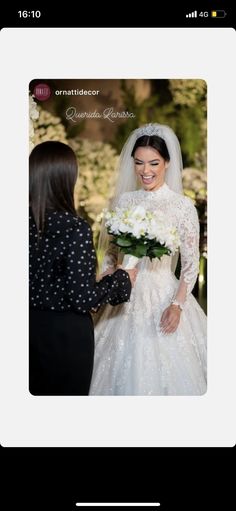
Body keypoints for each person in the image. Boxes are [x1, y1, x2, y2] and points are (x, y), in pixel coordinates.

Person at [89, 123, 207, 395]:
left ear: (167, 162)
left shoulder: (182, 206)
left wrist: (177, 305)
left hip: (163, 291)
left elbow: (189, 265)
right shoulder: (123, 201)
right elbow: (110, 253)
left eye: (153, 163)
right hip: (122, 292)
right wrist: (108, 278)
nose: (146, 170)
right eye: (139, 163)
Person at [29, 141, 137, 396]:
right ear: (67, 178)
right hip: (65, 338)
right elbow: (82, 298)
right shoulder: (74, 228)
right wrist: (122, 278)